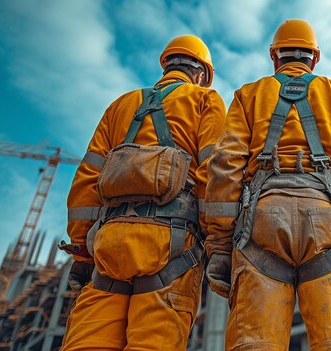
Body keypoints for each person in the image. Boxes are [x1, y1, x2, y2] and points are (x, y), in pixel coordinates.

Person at [204, 19, 331, 350]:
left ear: (274, 57)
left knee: (254, 343)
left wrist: (218, 245)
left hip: (261, 222)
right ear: (314, 58)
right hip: (327, 224)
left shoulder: (248, 95)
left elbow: (224, 168)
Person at [60, 34, 226, 350]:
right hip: (171, 245)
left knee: (87, 341)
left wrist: (82, 250)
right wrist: (219, 240)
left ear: (166, 65)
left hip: (109, 244)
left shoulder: (121, 105)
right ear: (201, 74)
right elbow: (215, 174)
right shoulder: (205, 100)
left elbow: (86, 179)